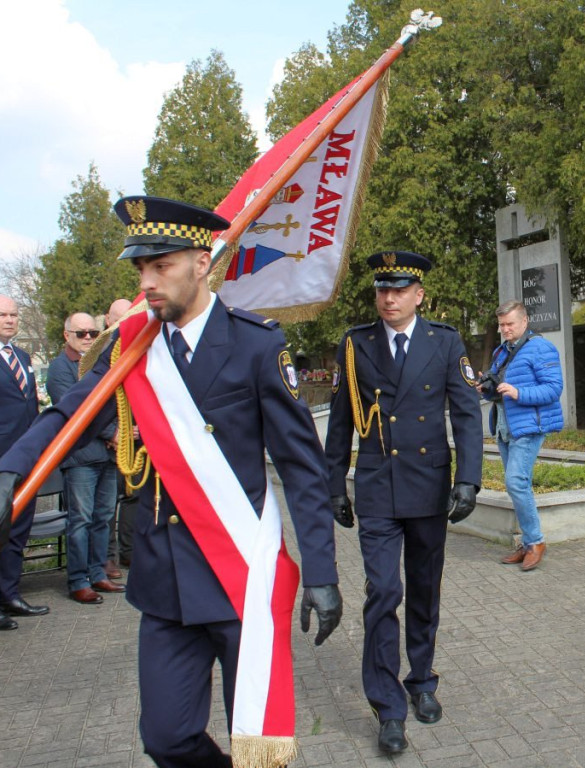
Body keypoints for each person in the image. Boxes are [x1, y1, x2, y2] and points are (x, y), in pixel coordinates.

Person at [0, 196, 341, 768]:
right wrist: (14, 466)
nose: (148, 282)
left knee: (259, 747)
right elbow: (70, 413)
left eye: (161, 266)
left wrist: (323, 573)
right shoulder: (135, 347)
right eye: (140, 268)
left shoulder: (257, 346)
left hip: (241, 579)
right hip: (165, 583)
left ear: (201, 263)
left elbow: (304, 469)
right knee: (165, 737)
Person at [325, 250, 483, 755]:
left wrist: (469, 480)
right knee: (382, 592)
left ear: (419, 295)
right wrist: (334, 483)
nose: (388, 298)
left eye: (399, 290)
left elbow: (465, 414)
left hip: (428, 486)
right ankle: (387, 708)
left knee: (423, 589)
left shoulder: (445, 340)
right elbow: (341, 421)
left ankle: (421, 680)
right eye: (381, 290)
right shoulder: (355, 344)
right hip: (376, 487)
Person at [480, 300, 564, 571]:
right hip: (505, 426)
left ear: (524, 322)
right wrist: (485, 387)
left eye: (510, 324)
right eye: (501, 324)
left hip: (529, 426)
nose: (504, 329)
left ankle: (536, 542)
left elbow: (553, 389)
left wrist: (519, 393)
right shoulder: (501, 351)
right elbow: (498, 388)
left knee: (515, 482)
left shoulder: (541, 348)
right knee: (517, 485)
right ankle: (528, 542)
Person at [47, 312, 123, 604]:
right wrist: (112, 432)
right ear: (67, 335)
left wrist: (118, 431)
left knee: (103, 517)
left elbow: (116, 402)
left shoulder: (101, 367)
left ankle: (97, 573)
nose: (89, 337)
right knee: (80, 520)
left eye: (93, 332)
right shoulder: (60, 369)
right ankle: (78, 580)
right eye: (81, 333)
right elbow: (76, 412)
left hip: (106, 455)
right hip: (81, 457)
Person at [0, 294, 47, 629]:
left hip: (27, 458)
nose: (10, 320)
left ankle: (10, 594)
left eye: (14, 314)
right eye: (3, 315)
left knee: (18, 529)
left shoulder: (22, 356)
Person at [103, 297, 136, 578]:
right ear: (108, 320)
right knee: (104, 507)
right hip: (104, 443)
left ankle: (127, 553)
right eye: (119, 319)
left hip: (134, 442)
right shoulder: (102, 354)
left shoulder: (135, 350)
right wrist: (115, 431)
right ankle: (107, 559)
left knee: (131, 499)